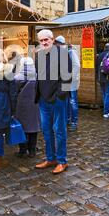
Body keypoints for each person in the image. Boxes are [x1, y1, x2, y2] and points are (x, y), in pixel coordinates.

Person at [35, 29, 72, 174]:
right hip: (43, 100)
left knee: (59, 130)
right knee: (46, 130)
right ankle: (51, 158)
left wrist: (59, 96)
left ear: (52, 39)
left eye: (46, 40)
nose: (44, 42)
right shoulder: (39, 55)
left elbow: (67, 78)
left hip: (57, 100)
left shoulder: (63, 54)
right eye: (41, 40)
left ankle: (62, 161)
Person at [14, 57, 40, 158]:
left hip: (21, 106)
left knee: (22, 128)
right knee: (33, 128)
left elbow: (14, 92)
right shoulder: (37, 76)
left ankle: (22, 150)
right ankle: (32, 150)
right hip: (34, 104)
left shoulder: (17, 78)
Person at [55, 36, 80, 131]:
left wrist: (70, 78)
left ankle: (74, 122)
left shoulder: (71, 52)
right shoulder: (62, 53)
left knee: (72, 102)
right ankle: (67, 120)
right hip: (65, 81)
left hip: (71, 81)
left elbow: (76, 66)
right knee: (66, 101)